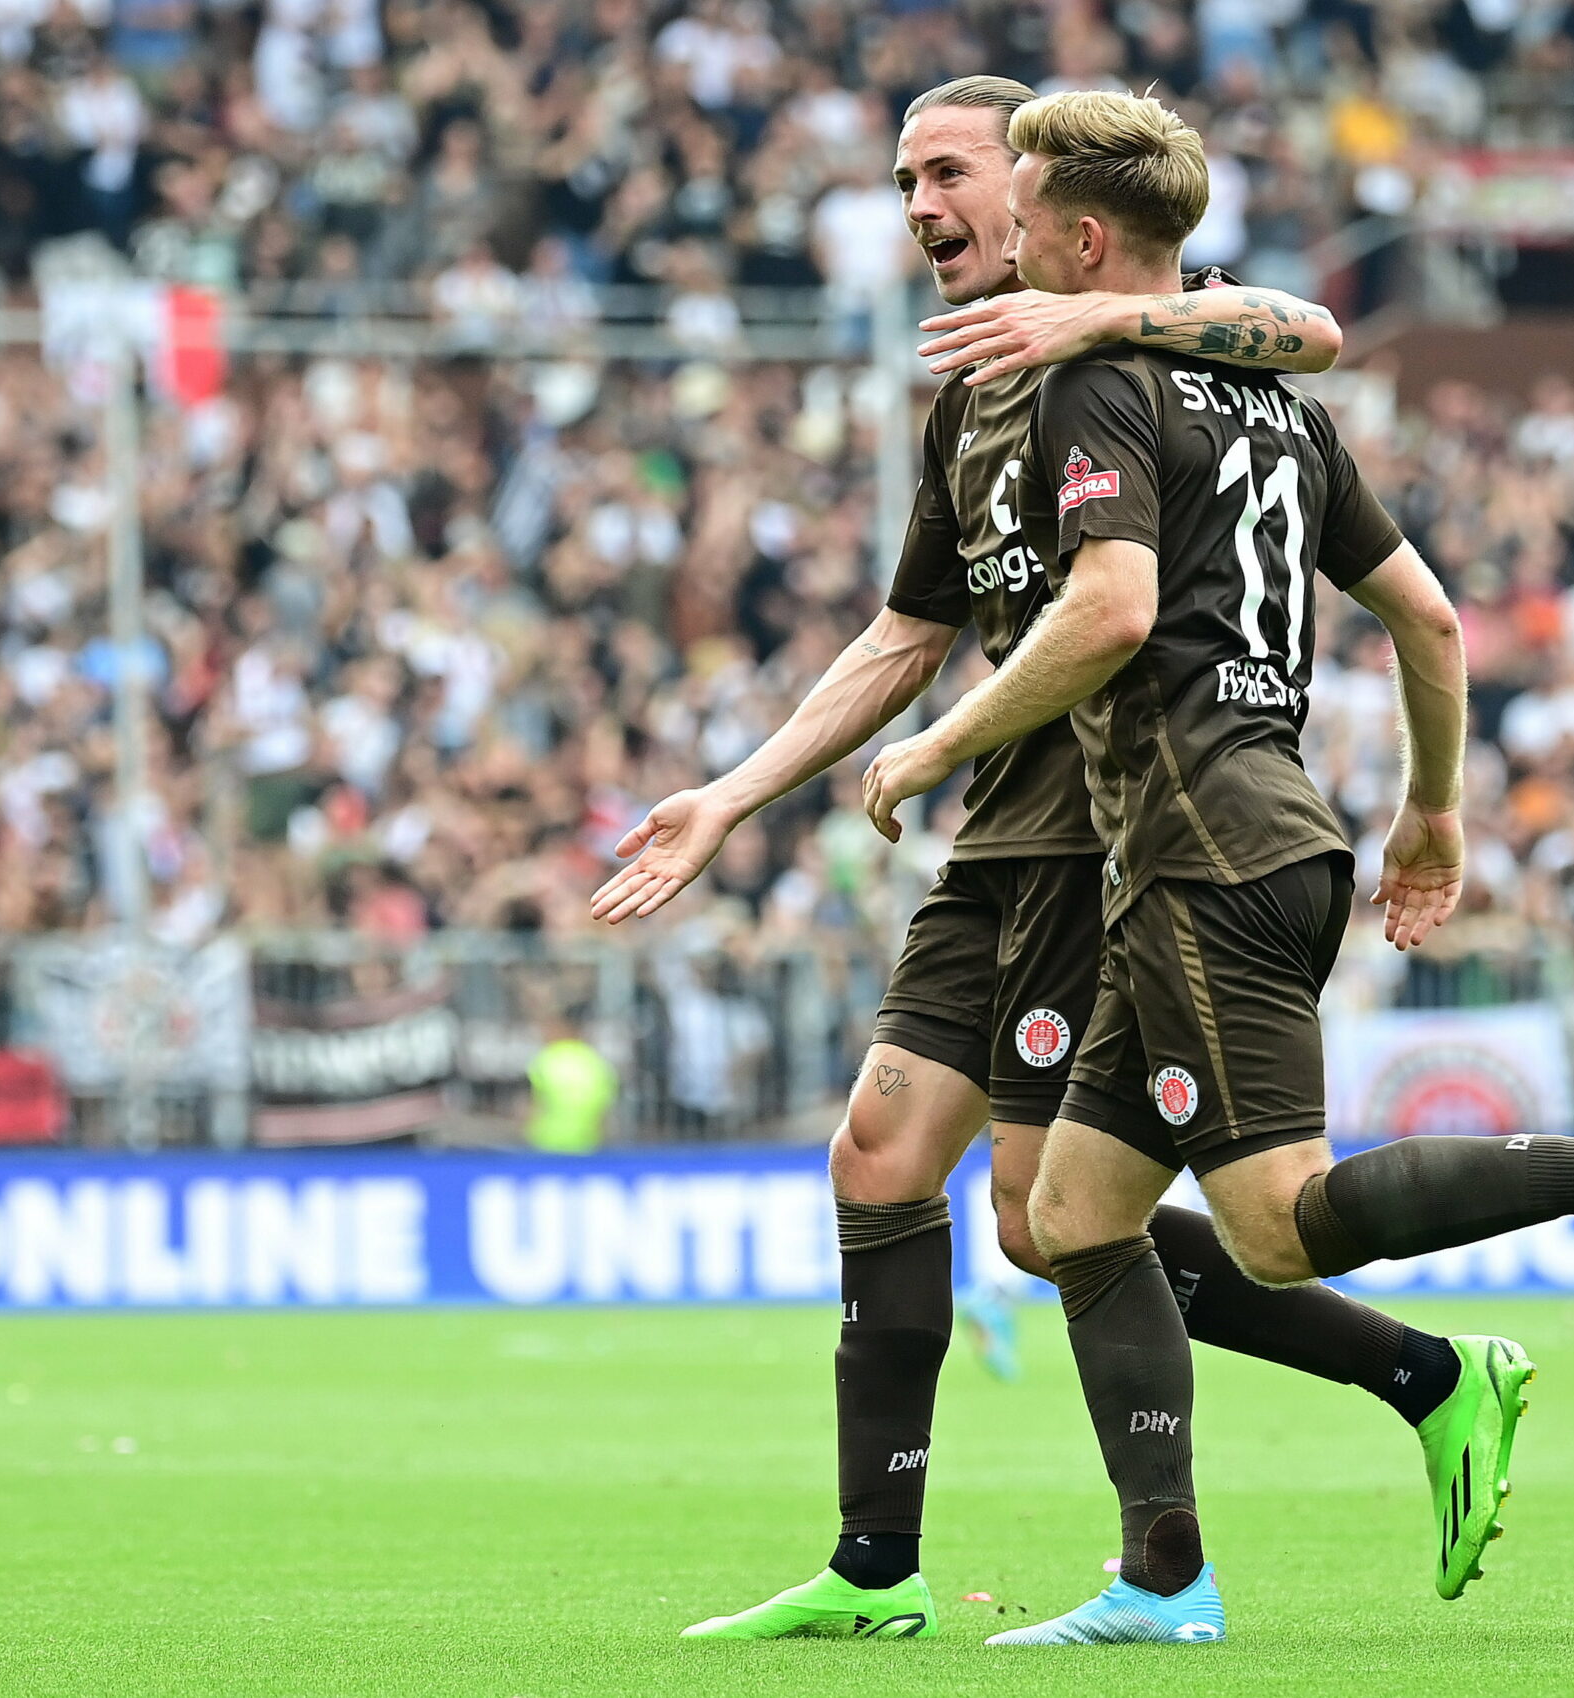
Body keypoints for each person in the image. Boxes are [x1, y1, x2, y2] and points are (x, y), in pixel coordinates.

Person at [859, 89, 1574, 1646]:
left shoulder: (1101, 380)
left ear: (1084, 238)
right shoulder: (1278, 407)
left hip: (1197, 853)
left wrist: (930, 743)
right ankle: (1165, 1579)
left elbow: (1106, 612)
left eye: (1019, 209)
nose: (999, 237)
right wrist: (1433, 808)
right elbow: (1432, 619)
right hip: (1272, 829)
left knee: (1276, 1225)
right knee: (1076, 1217)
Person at [595, 75, 1437, 1645]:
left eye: (948, 173)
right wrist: (734, 792)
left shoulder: (1124, 347)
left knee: (1058, 1216)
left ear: (1043, 197)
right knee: (899, 1167)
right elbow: (902, 635)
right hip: (1000, 837)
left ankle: (1199, 1543)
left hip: (1102, 836)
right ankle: (877, 1567)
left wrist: (1105, 324)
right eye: (904, 181)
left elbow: (1309, 334)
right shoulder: (965, 397)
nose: (920, 207)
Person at [525, 1013, 617, 1153]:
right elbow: (606, 1101)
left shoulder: (547, 1059)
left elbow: (534, 1103)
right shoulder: (594, 1059)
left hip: (547, 1140)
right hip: (587, 1140)